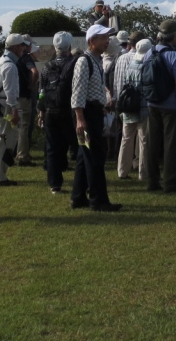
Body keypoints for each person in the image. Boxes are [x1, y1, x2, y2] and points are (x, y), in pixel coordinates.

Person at [70, 24, 121, 212]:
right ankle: (98, 200)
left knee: (85, 156)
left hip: (93, 112)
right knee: (95, 158)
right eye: (103, 38)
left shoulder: (95, 60)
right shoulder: (85, 61)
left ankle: (78, 197)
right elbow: (78, 91)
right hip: (86, 115)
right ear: (92, 41)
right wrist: (80, 118)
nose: (107, 41)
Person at [143, 19, 176, 193]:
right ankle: (170, 182)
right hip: (170, 105)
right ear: (174, 36)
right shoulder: (174, 56)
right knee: (170, 144)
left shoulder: (149, 52)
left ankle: (152, 181)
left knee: (152, 143)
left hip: (152, 102)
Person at [37, 31, 77, 194]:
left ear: (54, 47)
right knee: (78, 146)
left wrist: (41, 112)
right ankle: (84, 181)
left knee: (52, 148)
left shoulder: (46, 67)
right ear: (70, 47)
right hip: (70, 111)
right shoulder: (75, 64)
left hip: (50, 111)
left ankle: (55, 184)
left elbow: (41, 91)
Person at [115, 37, 152, 181]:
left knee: (126, 139)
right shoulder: (146, 67)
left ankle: (122, 170)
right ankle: (143, 173)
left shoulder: (130, 65)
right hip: (142, 107)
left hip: (128, 107)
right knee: (143, 141)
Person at [0, 34, 25, 187]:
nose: (24, 49)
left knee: (3, 139)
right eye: (22, 46)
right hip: (7, 106)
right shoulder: (10, 65)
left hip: (1, 104)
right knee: (5, 140)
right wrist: (15, 111)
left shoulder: (1, 61)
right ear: (16, 47)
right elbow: (10, 91)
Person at [16, 35, 40, 166]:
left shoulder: (17, 59)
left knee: (19, 126)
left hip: (17, 95)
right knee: (24, 127)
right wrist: (32, 85)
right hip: (24, 96)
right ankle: (23, 156)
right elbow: (35, 72)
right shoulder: (27, 58)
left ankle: (19, 152)